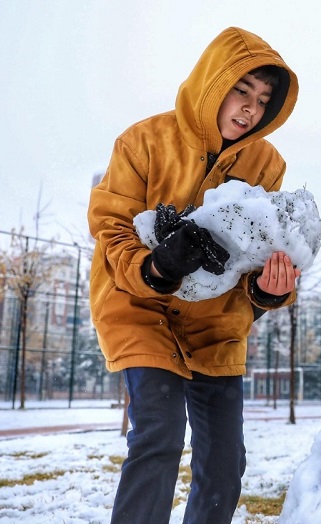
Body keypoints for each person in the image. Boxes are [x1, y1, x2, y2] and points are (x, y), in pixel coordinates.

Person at [87, 27, 300, 524]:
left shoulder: (266, 165)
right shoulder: (143, 140)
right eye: (241, 91)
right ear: (212, 85)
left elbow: (259, 250)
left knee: (225, 464)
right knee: (158, 436)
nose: (250, 108)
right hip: (140, 310)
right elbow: (111, 227)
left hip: (216, 325)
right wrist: (158, 264)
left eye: (263, 100)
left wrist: (268, 291)